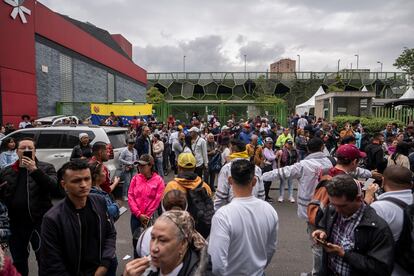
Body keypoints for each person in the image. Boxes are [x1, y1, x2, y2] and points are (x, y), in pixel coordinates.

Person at [39, 161, 117, 276]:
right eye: (76, 181)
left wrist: (104, 264)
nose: (83, 184)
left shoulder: (99, 202)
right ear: (64, 184)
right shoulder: (52, 218)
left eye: (87, 179)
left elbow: (110, 233)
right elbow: (53, 262)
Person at [312, 174, 395, 276]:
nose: (337, 210)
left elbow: (380, 269)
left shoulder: (378, 228)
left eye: (342, 206)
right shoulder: (332, 209)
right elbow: (323, 225)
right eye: (333, 204)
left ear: (359, 199)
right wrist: (322, 232)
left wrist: (344, 254)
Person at [208, 159, 278, 276]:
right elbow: (271, 248)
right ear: (254, 181)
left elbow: (217, 262)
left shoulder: (223, 215)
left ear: (230, 180)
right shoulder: (269, 211)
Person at [0, 137, 57, 276]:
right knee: (19, 261)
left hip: (40, 222)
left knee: (44, 259)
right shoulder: (7, 171)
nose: (26, 151)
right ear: (17, 151)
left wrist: (34, 170)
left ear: (35, 151)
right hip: (16, 224)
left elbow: (53, 188)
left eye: (30, 148)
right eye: (23, 148)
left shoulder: (46, 167)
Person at [124, 210, 209, 276]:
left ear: (183, 244)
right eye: (152, 238)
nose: (153, 248)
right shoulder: (149, 268)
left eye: (162, 240)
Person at [368, 165, 413, 275]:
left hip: (393, 268)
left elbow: (368, 241)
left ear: (383, 181)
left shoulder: (379, 208)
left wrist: (368, 200)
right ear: (411, 184)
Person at [164, 152, 213, 238]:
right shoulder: (205, 187)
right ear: (194, 167)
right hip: (200, 233)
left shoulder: (171, 186)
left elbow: (165, 211)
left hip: (178, 233)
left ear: (178, 167)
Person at [214, 138, 265, 210]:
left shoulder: (227, 168)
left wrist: (217, 214)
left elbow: (221, 196)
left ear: (233, 150)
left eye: (229, 148)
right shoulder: (256, 169)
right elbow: (261, 195)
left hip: (233, 212)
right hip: (254, 211)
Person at [128, 154, 164, 256]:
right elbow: (130, 196)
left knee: (151, 244)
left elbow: (156, 201)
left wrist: (146, 216)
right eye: (139, 165)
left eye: (143, 166)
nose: (140, 168)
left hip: (151, 217)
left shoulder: (158, 181)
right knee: (136, 242)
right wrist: (139, 214)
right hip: (136, 217)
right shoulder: (135, 178)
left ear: (150, 165)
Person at [136, 189, 188, 258]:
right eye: (153, 238)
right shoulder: (192, 236)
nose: (155, 249)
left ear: (163, 207)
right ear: (186, 207)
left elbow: (139, 251)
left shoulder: (147, 233)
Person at [276, 139, 299, 203]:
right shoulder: (281, 151)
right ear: (285, 144)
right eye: (288, 143)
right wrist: (279, 169)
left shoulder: (295, 151)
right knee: (282, 183)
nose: (290, 145)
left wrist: (296, 168)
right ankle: (281, 196)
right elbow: (278, 160)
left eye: (291, 144)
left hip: (291, 168)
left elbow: (297, 159)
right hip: (284, 168)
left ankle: (290, 196)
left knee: (290, 183)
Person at [262, 137, 277, 202]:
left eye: (271, 143)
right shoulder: (265, 149)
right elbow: (270, 158)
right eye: (269, 143)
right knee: (266, 182)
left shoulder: (270, 149)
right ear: (265, 144)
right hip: (267, 167)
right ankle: (265, 197)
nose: (271, 145)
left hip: (270, 166)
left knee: (269, 182)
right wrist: (276, 155)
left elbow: (272, 157)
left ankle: (267, 195)